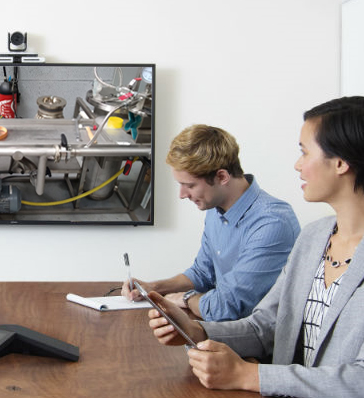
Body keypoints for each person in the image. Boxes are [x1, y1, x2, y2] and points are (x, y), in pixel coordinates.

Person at [145, 96, 364, 397]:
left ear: (340, 162)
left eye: (305, 152)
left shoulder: (274, 221)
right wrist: (197, 331)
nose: (297, 164)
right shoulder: (314, 238)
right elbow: (267, 325)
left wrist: (250, 375)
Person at [122, 125, 300, 320]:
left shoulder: (272, 223)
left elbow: (227, 306)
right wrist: (152, 288)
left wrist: (187, 298)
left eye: (189, 185)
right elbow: (202, 274)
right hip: (222, 331)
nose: (182, 195)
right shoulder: (216, 209)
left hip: (254, 344)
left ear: (222, 176)